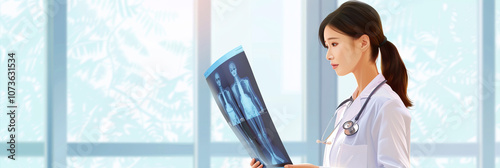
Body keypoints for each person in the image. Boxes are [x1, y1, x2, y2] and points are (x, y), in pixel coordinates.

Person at [250, 1, 411, 167]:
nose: (328, 55)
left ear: (363, 43)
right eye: (327, 46)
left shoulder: (386, 105)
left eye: (334, 44)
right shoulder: (346, 108)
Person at [229, 61, 285, 165]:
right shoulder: (233, 88)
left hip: (253, 108)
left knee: (264, 133)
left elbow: (253, 95)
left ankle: (274, 155)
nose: (233, 71)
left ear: (236, 69)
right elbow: (239, 104)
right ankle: (271, 157)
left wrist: (260, 107)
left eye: (234, 69)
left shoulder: (245, 81)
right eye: (231, 70)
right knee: (258, 136)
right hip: (246, 113)